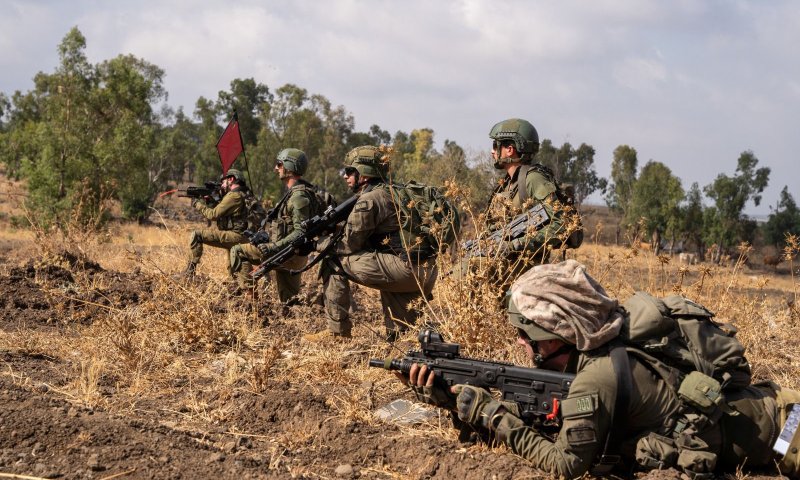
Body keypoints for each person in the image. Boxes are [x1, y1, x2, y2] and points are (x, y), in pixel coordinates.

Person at [403, 260, 800, 479]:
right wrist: (447, 396)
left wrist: (493, 417)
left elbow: (566, 464)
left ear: (556, 334)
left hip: (785, 436)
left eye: (527, 334)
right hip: (771, 408)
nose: (521, 343)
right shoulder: (603, 341)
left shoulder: (598, 376)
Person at [303, 146, 437, 342]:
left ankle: (337, 332)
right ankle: (403, 335)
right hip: (426, 270)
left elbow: (347, 245)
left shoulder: (370, 199)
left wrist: (315, 245)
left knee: (333, 258)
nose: (345, 176)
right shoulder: (396, 190)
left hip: (406, 270)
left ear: (364, 175)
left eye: (349, 171)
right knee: (403, 338)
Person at [458, 118, 578, 295]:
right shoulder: (505, 185)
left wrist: (515, 245)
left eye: (495, 145)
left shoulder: (533, 179)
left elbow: (562, 224)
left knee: (468, 269)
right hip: (506, 262)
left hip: (525, 264)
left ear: (509, 149)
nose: (492, 151)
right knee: (461, 268)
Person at [229, 148, 318, 303]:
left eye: (279, 164)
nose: (276, 168)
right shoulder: (296, 193)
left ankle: (251, 300)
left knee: (237, 251)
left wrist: (273, 246)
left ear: (290, 168)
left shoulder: (298, 197)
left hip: (288, 254)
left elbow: (300, 232)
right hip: (290, 253)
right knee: (289, 303)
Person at [182, 169, 250, 277]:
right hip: (242, 236)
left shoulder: (233, 196)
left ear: (231, 179)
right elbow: (225, 212)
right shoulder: (242, 194)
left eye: (223, 182)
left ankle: (190, 271)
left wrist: (197, 204)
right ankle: (237, 289)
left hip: (236, 236)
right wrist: (213, 201)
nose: (222, 185)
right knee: (233, 271)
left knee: (197, 235)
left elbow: (212, 215)